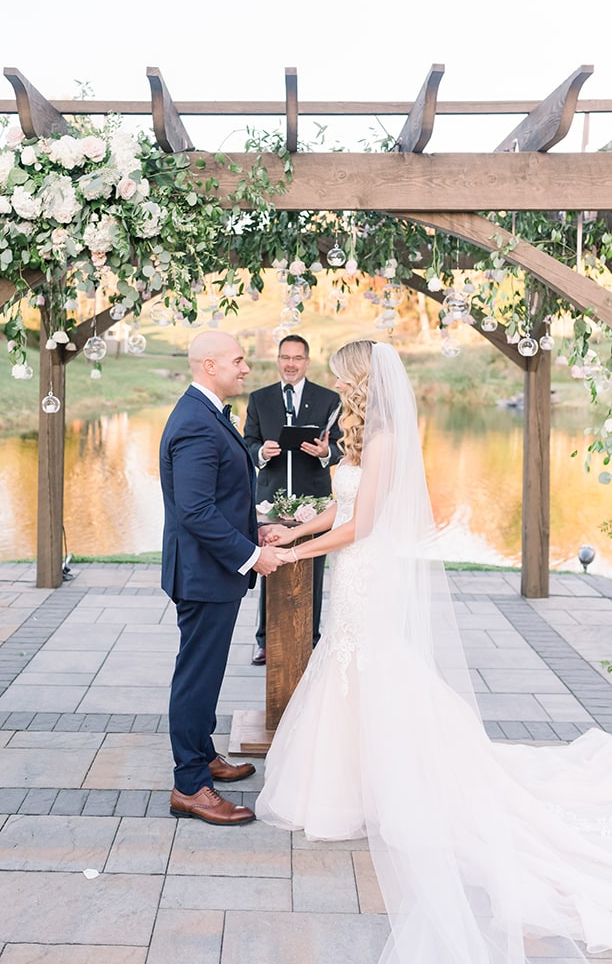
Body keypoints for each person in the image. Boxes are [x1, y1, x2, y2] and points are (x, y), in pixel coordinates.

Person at [257, 339, 612, 963]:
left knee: (372, 666)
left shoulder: (389, 440)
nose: (337, 388)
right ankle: (358, 782)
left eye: (344, 379)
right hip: (354, 567)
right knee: (348, 666)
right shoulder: (363, 436)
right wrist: (297, 528)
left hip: (368, 567)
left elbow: (365, 527)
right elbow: (341, 505)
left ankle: (406, 777)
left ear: (363, 381)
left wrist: (293, 554)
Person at [159, 330, 281, 826]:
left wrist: (259, 526)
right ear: (209, 365)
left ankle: (202, 753)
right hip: (204, 573)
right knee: (197, 676)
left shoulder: (206, 414)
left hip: (209, 569)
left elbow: (220, 496)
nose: (246, 368)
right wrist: (251, 556)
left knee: (203, 673)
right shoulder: (195, 423)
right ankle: (190, 785)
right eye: (237, 360)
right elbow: (196, 510)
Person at [244, 334, 342, 665]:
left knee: (311, 568)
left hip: (312, 501)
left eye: (297, 358)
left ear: (307, 362)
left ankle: (309, 639)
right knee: (269, 564)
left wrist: (326, 451)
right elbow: (247, 442)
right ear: (278, 360)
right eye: (285, 357)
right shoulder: (259, 398)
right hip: (269, 499)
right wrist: (260, 452)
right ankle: (265, 641)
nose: (290, 363)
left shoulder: (329, 399)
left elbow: (344, 446)